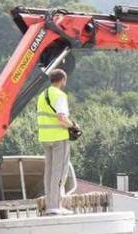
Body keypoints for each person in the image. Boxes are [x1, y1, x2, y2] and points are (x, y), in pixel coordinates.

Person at [37, 68, 79, 215]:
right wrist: (73, 125)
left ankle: (51, 204)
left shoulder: (42, 95)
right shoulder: (60, 95)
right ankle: (55, 206)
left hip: (45, 138)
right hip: (59, 139)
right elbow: (62, 119)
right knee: (59, 173)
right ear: (62, 80)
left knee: (48, 173)